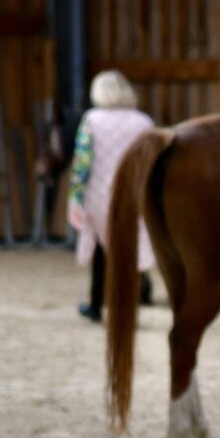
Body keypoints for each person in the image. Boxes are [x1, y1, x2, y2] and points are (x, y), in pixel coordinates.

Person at [67, 70, 156, 322]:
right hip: (133, 195)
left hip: (98, 195)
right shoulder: (143, 122)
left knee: (100, 252)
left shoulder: (91, 119)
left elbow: (82, 162)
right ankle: (128, 308)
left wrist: (75, 195)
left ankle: (96, 304)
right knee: (129, 252)